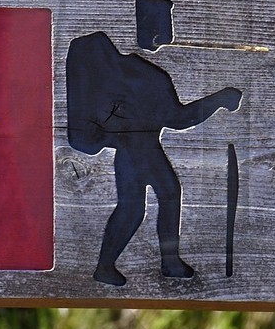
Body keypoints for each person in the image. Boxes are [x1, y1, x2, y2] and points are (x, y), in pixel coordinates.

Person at [65, 30, 241, 285]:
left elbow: (177, 118)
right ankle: (111, 265)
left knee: (160, 197)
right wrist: (219, 100)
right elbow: (177, 118)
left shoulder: (139, 75)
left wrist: (218, 100)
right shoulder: (125, 77)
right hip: (134, 151)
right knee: (137, 206)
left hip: (143, 147)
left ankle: (163, 262)